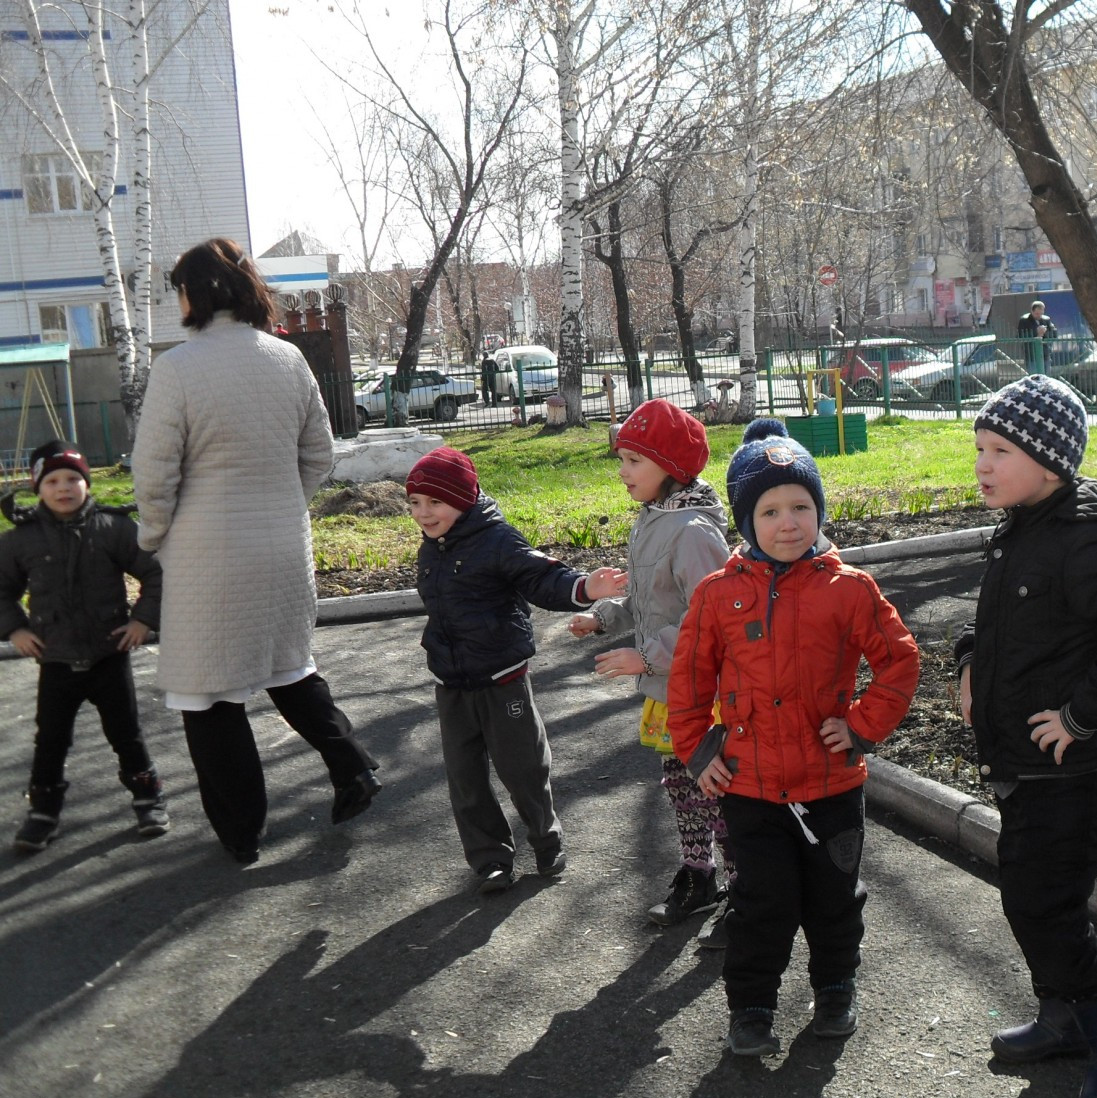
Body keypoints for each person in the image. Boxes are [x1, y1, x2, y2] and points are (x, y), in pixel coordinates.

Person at [953, 375, 1097, 1098]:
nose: (982, 464)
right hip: (1022, 765)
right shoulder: (1021, 527)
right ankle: (1062, 1017)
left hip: (1071, 772)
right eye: (979, 447)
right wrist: (968, 660)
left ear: (1048, 462)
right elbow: (1010, 626)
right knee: (1028, 899)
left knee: (1045, 905)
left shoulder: (1080, 539)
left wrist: (1080, 715)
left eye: (999, 450)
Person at [669, 419, 919, 1057]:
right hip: (749, 787)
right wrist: (699, 752)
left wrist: (862, 726)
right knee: (761, 902)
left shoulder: (849, 590)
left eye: (802, 507)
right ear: (746, 521)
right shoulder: (716, 595)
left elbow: (898, 661)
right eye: (770, 510)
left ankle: (836, 986)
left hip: (831, 783)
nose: (788, 523)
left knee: (834, 898)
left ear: (820, 510)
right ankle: (751, 1007)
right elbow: (689, 681)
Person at [132, 238, 382, 865]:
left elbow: (154, 474)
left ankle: (243, 830)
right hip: (283, 546)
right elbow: (320, 454)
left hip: (205, 555)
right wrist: (280, 503)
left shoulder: (178, 368)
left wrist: (155, 537)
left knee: (208, 693)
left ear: (194, 293)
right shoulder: (287, 359)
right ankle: (351, 764)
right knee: (287, 665)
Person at [407, 447, 626, 894]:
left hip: (501, 676)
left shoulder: (496, 539)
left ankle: (545, 836)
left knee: (522, 766)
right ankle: (490, 858)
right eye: (415, 503)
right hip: (451, 681)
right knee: (465, 778)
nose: (424, 514)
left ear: (463, 500)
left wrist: (585, 587)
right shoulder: (434, 547)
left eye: (435, 503)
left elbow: (541, 578)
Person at [570, 400, 735, 942]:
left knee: (716, 784)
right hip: (668, 687)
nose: (621, 472)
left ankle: (745, 882)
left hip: (702, 689)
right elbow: (651, 603)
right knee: (681, 781)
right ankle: (700, 871)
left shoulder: (691, 531)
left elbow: (708, 619)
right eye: (621, 459)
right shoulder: (654, 521)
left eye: (633, 461)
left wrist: (645, 657)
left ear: (669, 465)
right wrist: (604, 617)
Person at [1, 440, 165, 851]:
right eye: (53, 480)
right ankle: (43, 811)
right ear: (37, 487)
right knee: (51, 738)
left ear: (87, 483)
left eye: (73, 478)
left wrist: (143, 620)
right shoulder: (20, 540)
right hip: (54, 659)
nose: (64, 487)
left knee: (126, 734)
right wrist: (15, 630)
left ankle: (148, 797)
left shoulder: (114, 528)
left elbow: (156, 572)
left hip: (109, 656)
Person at [1016, 301, 1057, 373]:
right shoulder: (1024, 320)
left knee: (1046, 378)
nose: (1039, 316)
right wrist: (1036, 332)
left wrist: (1044, 332)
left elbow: (1054, 334)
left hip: (1045, 354)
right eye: (1037, 314)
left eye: (1041, 313)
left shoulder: (1046, 320)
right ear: (1032, 311)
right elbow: (1020, 336)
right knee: (1034, 378)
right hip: (1032, 355)